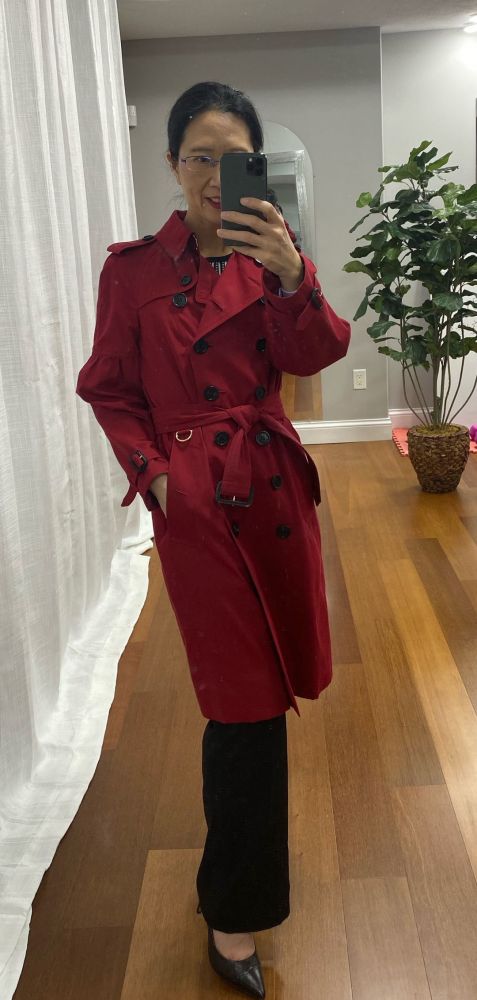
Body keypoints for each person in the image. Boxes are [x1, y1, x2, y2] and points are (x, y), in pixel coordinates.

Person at [76, 81, 351, 999]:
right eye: (198, 155)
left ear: (253, 169)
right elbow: (108, 388)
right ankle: (233, 913)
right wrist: (159, 479)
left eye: (233, 158)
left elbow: (314, 354)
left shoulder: (271, 256)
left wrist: (292, 274)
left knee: (266, 693)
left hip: (269, 488)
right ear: (171, 163)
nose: (212, 173)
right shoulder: (131, 273)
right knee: (242, 706)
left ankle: (237, 884)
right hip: (197, 505)